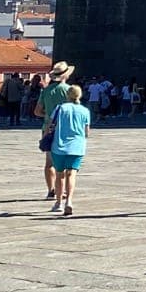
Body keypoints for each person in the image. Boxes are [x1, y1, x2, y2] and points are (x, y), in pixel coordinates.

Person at [33, 62, 74, 201]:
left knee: (49, 162)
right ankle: (60, 190)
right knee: (64, 162)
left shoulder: (46, 91)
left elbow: (37, 111)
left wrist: (49, 115)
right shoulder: (69, 91)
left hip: (48, 129)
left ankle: (51, 190)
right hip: (65, 130)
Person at [48, 84, 91, 217]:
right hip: (77, 147)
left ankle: (59, 203)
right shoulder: (85, 111)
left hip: (59, 146)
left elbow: (50, 125)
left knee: (59, 174)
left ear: (68, 95)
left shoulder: (60, 108)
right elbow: (86, 132)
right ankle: (69, 202)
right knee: (71, 174)